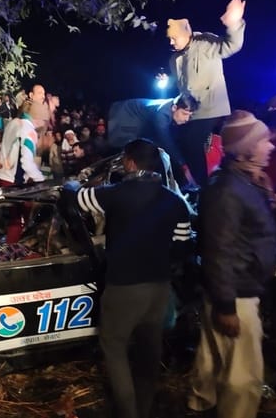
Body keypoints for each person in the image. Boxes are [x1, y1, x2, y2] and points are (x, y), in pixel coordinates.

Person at [69, 138, 192, 418]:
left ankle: (128, 412)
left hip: (123, 288)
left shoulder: (115, 194)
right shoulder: (175, 202)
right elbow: (183, 248)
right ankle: (145, 409)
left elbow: (77, 198)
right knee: (149, 352)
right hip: (159, 289)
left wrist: (72, 184)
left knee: (114, 348)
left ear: (131, 163)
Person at [187, 110, 276, 418]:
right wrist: (227, 306)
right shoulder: (228, 191)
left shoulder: (239, 183)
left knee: (213, 359)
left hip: (232, 289)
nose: (271, 146)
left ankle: (202, 406)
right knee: (243, 376)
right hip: (236, 295)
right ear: (245, 150)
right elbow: (219, 250)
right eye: (263, 141)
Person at [167, 0, 246, 185]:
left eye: (174, 38)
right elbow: (182, 89)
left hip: (212, 106)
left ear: (186, 33)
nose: (171, 42)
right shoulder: (174, 60)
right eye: (169, 38)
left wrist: (234, 23)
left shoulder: (204, 42)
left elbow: (231, 45)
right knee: (174, 136)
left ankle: (204, 186)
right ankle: (190, 180)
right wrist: (177, 107)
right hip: (193, 110)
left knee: (190, 141)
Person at [107, 94, 200, 186]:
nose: (187, 119)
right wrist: (183, 166)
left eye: (190, 115)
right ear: (174, 108)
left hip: (135, 122)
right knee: (126, 154)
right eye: (184, 114)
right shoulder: (161, 115)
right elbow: (166, 142)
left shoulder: (171, 107)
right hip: (124, 119)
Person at [0, 99, 45, 188]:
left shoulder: (13, 122)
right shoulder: (29, 131)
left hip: (0, 174)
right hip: (11, 180)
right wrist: (41, 180)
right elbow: (26, 162)